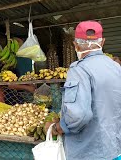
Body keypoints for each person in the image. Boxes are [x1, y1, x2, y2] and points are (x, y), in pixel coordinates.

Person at [44, 21, 121, 159]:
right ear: (102, 42)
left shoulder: (79, 70)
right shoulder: (116, 68)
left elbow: (79, 116)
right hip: (114, 149)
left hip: (89, 153)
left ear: (75, 44)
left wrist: (56, 128)